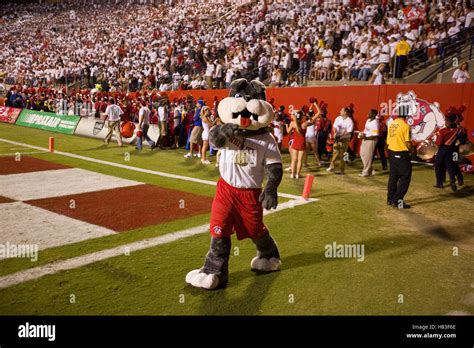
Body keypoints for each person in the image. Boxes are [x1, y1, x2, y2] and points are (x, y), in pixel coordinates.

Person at [386, 106, 412, 209]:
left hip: (391, 152)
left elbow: (388, 140)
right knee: (405, 177)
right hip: (401, 153)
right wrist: (411, 150)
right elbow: (408, 143)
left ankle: (390, 199)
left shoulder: (392, 124)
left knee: (393, 176)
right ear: (406, 114)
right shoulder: (406, 126)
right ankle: (397, 200)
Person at [433, 115, 467, 191]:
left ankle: (440, 183)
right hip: (453, 151)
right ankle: (454, 180)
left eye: (446, 120)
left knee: (438, 165)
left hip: (443, 150)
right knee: (452, 166)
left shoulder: (442, 131)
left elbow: (438, 143)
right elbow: (463, 141)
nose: (445, 122)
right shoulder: (459, 130)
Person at [327, 107, 354, 175]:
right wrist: (335, 130)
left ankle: (342, 170)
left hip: (345, 139)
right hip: (337, 138)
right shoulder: (338, 118)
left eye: (341, 110)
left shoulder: (349, 121)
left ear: (345, 112)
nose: (340, 111)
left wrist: (341, 136)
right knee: (335, 153)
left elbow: (348, 132)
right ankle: (331, 167)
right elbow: (334, 126)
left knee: (343, 155)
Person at [286, 110, 307, 179]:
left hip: (295, 142)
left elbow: (288, 131)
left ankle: (292, 174)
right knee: (300, 160)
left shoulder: (292, 123)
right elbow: (313, 120)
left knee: (293, 159)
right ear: (301, 117)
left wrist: (286, 125)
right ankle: (298, 174)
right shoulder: (304, 124)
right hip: (302, 142)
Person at [358, 109, 379, 177]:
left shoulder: (375, 122)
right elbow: (366, 130)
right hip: (365, 139)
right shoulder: (368, 121)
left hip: (371, 140)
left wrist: (366, 137)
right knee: (362, 154)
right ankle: (371, 169)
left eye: (370, 113)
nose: (368, 114)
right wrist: (362, 134)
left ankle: (366, 172)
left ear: (373, 115)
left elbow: (375, 135)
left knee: (368, 156)